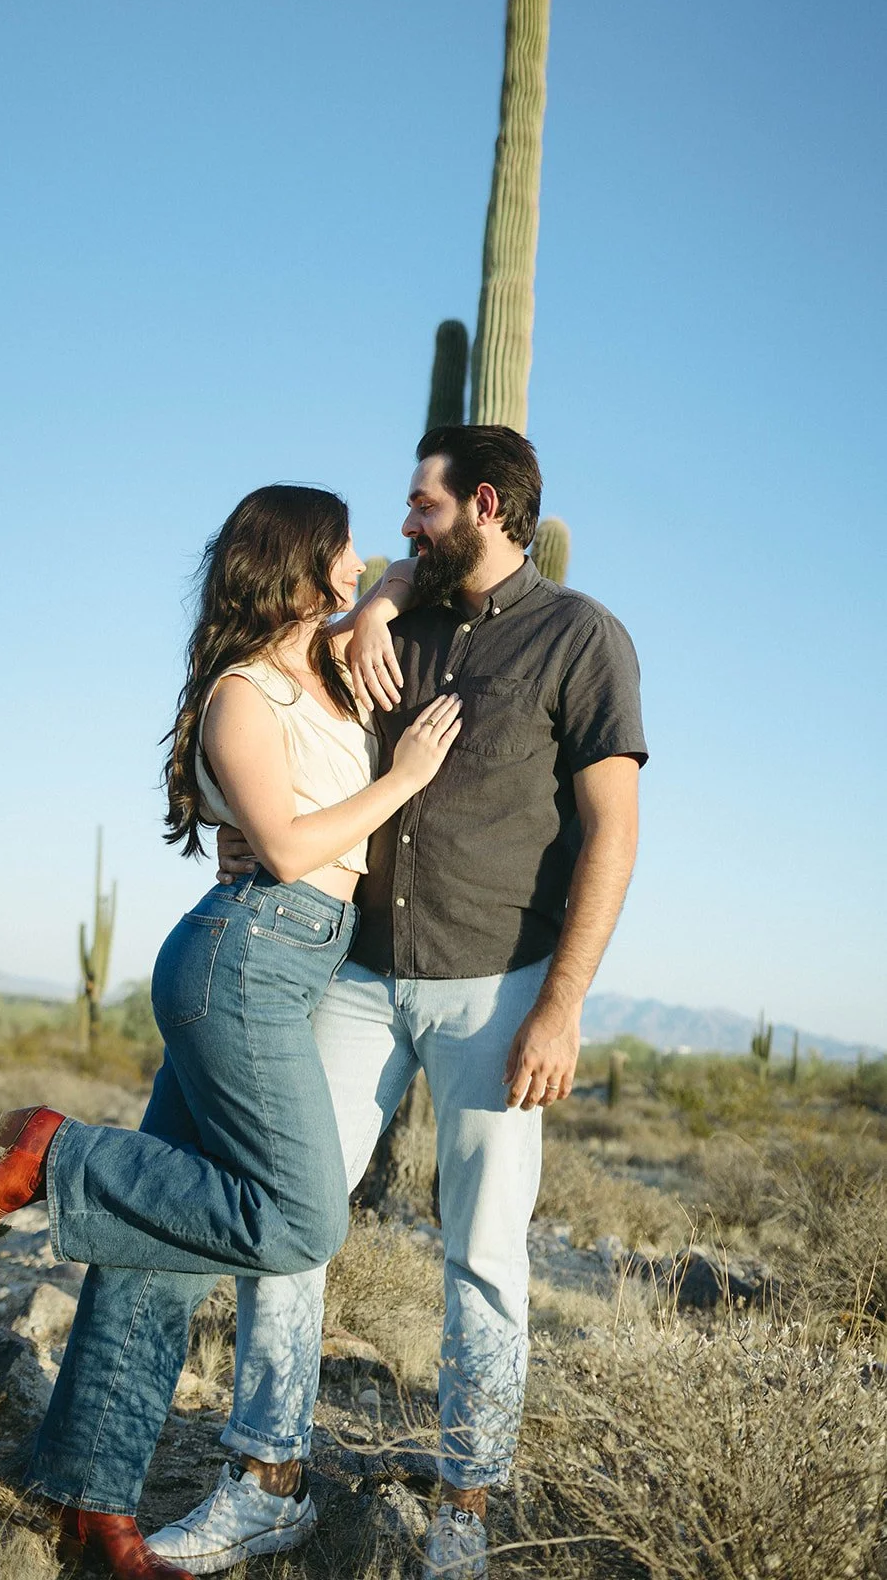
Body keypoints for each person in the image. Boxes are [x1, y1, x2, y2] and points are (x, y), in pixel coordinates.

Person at [146, 426, 648, 1580]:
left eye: (418, 505)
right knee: (293, 1215)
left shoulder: (580, 637)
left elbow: (612, 832)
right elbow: (276, 699)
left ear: (480, 504)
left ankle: (463, 1509)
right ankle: (264, 1477)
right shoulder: (383, 623)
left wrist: (561, 1006)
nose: (402, 524)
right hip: (356, 977)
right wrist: (373, 602)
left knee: (482, 1252)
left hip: (499, 984)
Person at [0, 483, 462, 1580]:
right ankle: (56, 1152)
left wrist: (374, 608)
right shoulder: (240, 695)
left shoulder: (325, 660)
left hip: (280, 966)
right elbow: (280, 846)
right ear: (301, 565)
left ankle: (91, 1501)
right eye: (345, 550)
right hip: (244, 959)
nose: (367, 556)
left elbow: (406, 574)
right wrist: (406, 777)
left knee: (160, 1252)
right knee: (300, 1217)